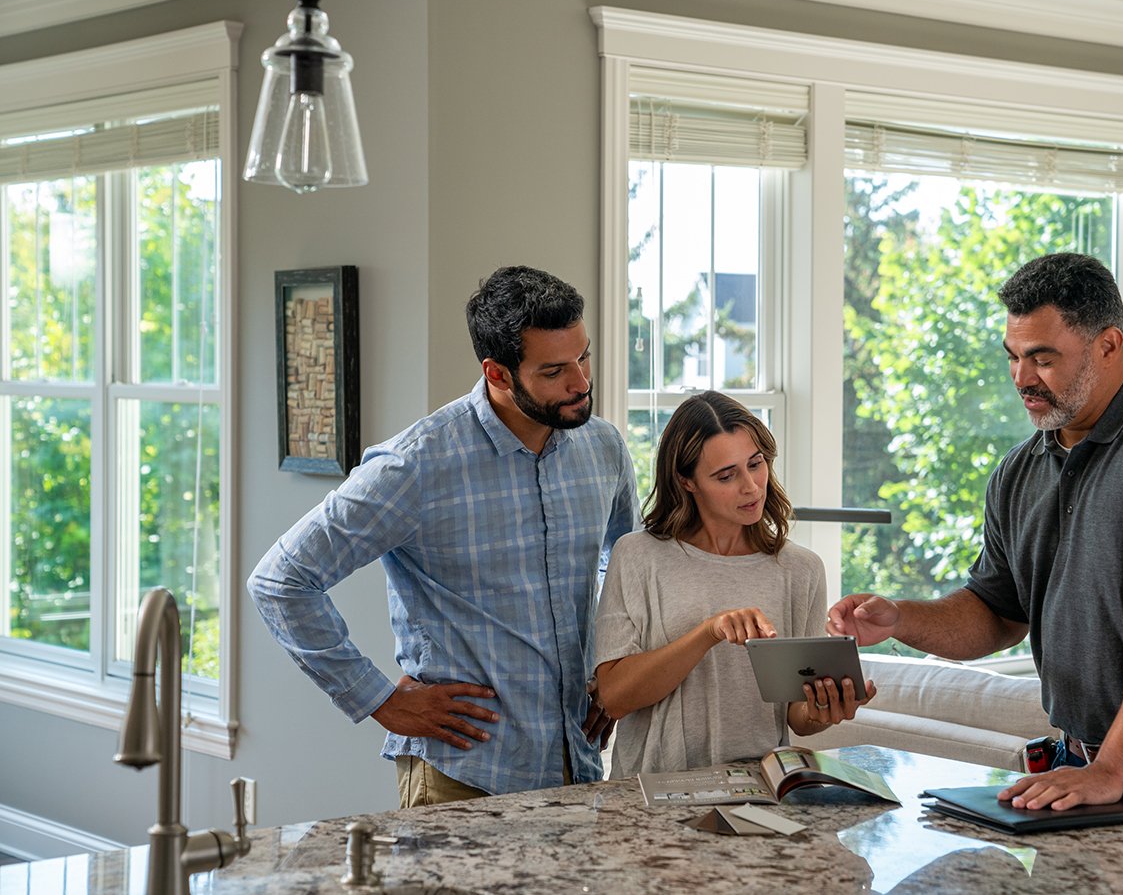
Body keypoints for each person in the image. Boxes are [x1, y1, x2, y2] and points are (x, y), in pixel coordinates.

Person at [827, 253, 1123, 820]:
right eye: (1014, 357)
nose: (1022, 378)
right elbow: (996, 613)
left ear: (1109, 346)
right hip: (1076, 771)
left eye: (1043, 359)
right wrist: (901, 619)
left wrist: (1109, 772)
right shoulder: (1018, 471)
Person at [248, 265, 639, 806]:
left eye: (584, 356)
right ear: (498, 373)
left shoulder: (604, 448)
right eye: (553, 371)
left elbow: (622, 565)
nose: (581, 382)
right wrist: (379, 698)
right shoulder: (416, 465)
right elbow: (280, 580)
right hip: (462, 776)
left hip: (580, 768)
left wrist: (609, 663)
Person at [593, 391, 876, 779]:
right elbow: (614, 697)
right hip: (651, 794)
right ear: (686, 481)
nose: (751, 487)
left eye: (755, 464)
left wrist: (820, 710)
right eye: (726, 475)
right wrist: (709, 631)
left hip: (760, 791)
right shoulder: (639, 556)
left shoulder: (801, 569)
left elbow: (796, 715)